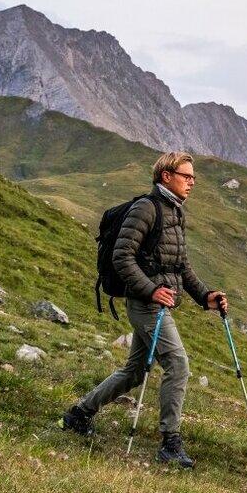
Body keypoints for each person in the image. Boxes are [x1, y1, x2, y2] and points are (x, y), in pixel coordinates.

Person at [62, 152, 227, 467]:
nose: (192, 182)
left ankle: (79, 415)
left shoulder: (175, 211)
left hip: (158, 304)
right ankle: (170, 443)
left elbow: (180, 264)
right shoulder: (146, 209)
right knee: (178, 364)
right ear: (166, 176)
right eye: (186, 176)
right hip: (145, 305)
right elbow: (122, 257)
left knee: (134, 371)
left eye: (193, 177)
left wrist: (205, 296)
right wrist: (151, 289)